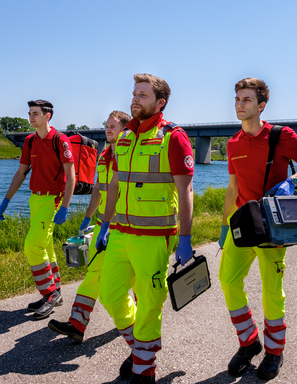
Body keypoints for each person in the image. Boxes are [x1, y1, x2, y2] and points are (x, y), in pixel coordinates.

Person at [96, 74, 194, 384]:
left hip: (154, 238)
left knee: (150, 305)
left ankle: (144, 370)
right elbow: (113, 185)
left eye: (143, 94)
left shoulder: (173, 137)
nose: (135, 98)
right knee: (110, 295)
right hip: (121, 234)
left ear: (160, 102)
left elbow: (186, 190)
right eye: (134, 93)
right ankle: (140, 348)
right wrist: (105, 224)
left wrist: (186, 238)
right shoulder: (123, 137)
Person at [218, 78, 297, 380]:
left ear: (261, 105)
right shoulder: (233, 143)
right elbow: (233, 187)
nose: (240, 104)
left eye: (246, 100)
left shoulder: (281, 135)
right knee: (227, 281)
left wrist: (293, 181)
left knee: (272, 293)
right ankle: (249, 343)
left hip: (274, 227)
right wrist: (225, 227)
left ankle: (275, 352)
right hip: (243, 226)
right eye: (237, 99)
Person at [47, 110, 131, 342]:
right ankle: (77, 323)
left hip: (124, 227)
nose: (108, 129)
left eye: (113, 126)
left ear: (125, 129)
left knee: (130, 281)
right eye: (107, 125)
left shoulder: (129, 157)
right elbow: (98, 189)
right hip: (104, 227)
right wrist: (87, 218)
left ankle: (137, 320)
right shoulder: (104, 155)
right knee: (94, 273)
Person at [0, 100, 76, 320]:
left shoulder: (60, 140)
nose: (31, 118)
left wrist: (65, 207)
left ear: (47, 116)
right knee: (45, 246)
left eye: (36, 114)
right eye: (30, 113)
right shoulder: (30, 142)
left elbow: (71, 176)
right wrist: (6, 200)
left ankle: (49, 293)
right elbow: (21, 173)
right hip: (35, 199)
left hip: (53, 200)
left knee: (33, 245)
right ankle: (56, 292)